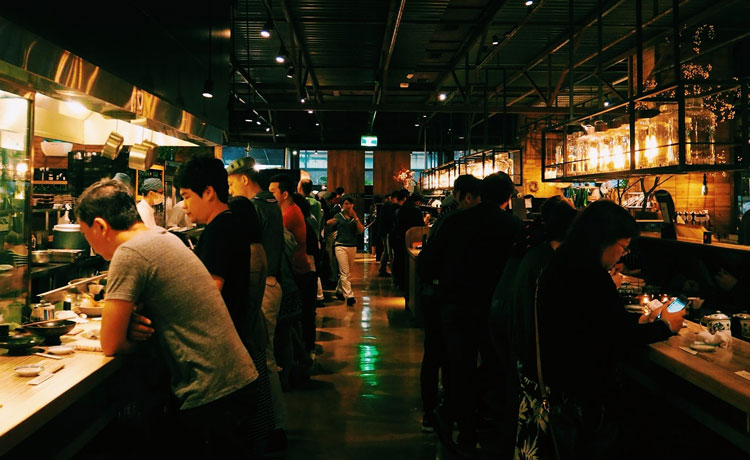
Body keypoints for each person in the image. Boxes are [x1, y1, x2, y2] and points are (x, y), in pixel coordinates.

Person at [75, 179, 258, 457]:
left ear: (100, 226)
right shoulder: (162, 237)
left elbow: (110, 343)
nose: (88, 241)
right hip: (233, 381)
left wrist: (132, 334)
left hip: (209, 393)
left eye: (84, 233)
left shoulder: (129, 252)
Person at [536, 200, 685, 459]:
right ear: (603, 240)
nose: (622, 256)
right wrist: (664, 326)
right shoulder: (588, 275)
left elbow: (597, 324)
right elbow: (614, 339)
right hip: (582, 391)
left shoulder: (563, 261)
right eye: (623, 247)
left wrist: (638, 322)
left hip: (561, 382)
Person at [418, 172, 522, 457]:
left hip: (455, 306)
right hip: (493, 309)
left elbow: (427, 263)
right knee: (494, 365)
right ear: (508, 197)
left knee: (459, 366)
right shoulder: (513, 226)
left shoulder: (453, 221)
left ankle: (464, 430)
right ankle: (480, 421)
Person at [226, 156, 289, 447]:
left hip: (264, 286)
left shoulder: (253, 207)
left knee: (263, 356)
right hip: (272, 282)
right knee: (264, 354)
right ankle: (271, 422)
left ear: (243, 179)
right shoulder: (271, 203)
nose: (230, 189)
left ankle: (273, 425)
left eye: (230, 183)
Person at [418, 174, 482, 433]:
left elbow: (427, 261)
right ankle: (452, 410)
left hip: (441, 296)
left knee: (436, 354)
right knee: (459, 359)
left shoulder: (448, 221)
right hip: (468, 301)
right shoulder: (478, 222)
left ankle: (433, 410)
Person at [270, 175, 317, 359]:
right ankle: (304, 355)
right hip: (302, 270)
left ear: (284, 194)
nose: (270, 196)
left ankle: (302, 358)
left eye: (273, 192)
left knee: (293, 322)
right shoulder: (291, 210)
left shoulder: (289, 214)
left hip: (298, 273)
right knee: (297, 320)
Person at [326, 196, 365, 306]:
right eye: (346, 204)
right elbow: (330, 230)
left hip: (352, 246)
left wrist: (356, 218)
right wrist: (328, 223)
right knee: (345, 272)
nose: (349, 206)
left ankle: (339, 290)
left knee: (347, 272)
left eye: (350, 204)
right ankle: (350, 295)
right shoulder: (338, 216)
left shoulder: (354, 217)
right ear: (342, 205)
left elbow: (361, 230)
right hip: (340, 246)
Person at [391, 192, 425, 291]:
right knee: (407, 262)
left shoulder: (400, 209)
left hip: (398, 238)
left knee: (399, 259)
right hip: (410, 239)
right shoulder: (416, 210)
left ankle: (398, 281)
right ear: (417, 201)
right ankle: (406, 284)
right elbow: (420, 226)